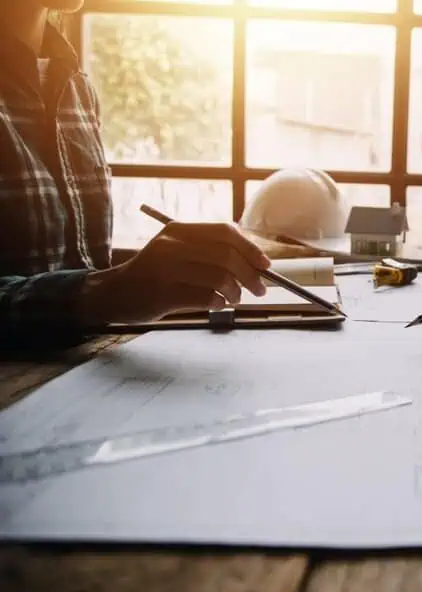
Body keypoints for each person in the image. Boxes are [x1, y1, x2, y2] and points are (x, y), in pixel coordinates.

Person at [0, 0, 270, 348]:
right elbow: (98, 294)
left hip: (87, 379)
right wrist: (105, 292)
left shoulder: (75, 86)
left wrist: (136, 286)